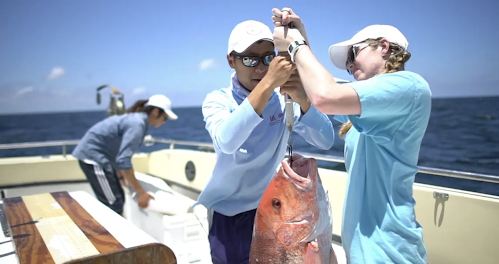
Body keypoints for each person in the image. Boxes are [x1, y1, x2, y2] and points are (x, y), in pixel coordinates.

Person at [271, 7, 431, 264]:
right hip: (360, 253)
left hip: (390, 252)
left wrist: (296, 44)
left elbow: (325, 96)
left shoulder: (409, 86)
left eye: (353, 54)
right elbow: (316, 86)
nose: (349, 64)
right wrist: (300, 36)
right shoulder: (368, 104)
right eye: (347, 64)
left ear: (384, 46)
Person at [194, 20, 335, 264]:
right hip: (230, 214)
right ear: (231, 60)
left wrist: (303, 98)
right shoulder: (218, 101)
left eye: (267, 59)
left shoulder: (284, 100)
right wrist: (270, 83)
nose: (260, 68)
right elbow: (226, 141)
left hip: (277, 209)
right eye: (250, 59)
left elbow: (325, 140)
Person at [72, 94, 178, 216]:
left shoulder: (137, 120)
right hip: (93, 158)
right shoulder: (137, 124)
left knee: (118, 199)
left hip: (104, 159)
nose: (164, 122)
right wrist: (141, 192)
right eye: (165, 118)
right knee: (113, 204)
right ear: (155, 112)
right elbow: (123, 160)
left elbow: (117, 150)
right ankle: (107, 234)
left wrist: (121, 176)